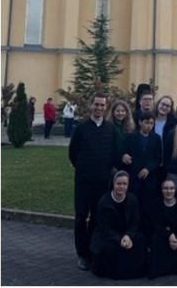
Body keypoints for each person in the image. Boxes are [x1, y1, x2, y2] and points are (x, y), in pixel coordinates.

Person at [69, 93, 122, 271]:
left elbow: (115, 153)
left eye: (102, 105)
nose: (99, 108)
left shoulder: (111, 129)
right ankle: (82, 254)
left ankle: (93, 251)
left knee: (97, 218)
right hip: (84, 182)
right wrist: (83, 168)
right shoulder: (81, 129)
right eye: (96, 104)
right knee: (80, 218)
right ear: (90, 105)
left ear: (106, 108)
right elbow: (73, 154)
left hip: (102, 182)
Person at [89, 171, 148, 279]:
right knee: (109, 248)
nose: (121, 187)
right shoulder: (104, 202)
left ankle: (133, 271)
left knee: (141, 240)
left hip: (126, 233)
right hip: (109, 235)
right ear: (113, 184)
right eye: (119, 184)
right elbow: (104, 228)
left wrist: (128, 236)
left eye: (124, 184)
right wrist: (119, 239)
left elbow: (135, 223)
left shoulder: (132, 199)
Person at [123, 113, 163, 236]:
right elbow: (125, 152)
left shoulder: (156, 138)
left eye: (151, 123)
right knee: (134, 207)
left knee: (148, 209)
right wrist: (125, 156)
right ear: (140, 122)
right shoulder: (131, 137)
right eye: (146, 123)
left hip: (149, 179)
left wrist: (148, 169)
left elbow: (158, 158)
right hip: (134, 178)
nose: (149, 126)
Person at [148, 178, 177, 279]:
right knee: (155, 239)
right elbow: (156, 226)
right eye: (166, 188)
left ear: (175, 190)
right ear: (161, 190)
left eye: (171, 188)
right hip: (163, 237)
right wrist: (169, 235)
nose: (168, 191)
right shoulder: (156, 205)